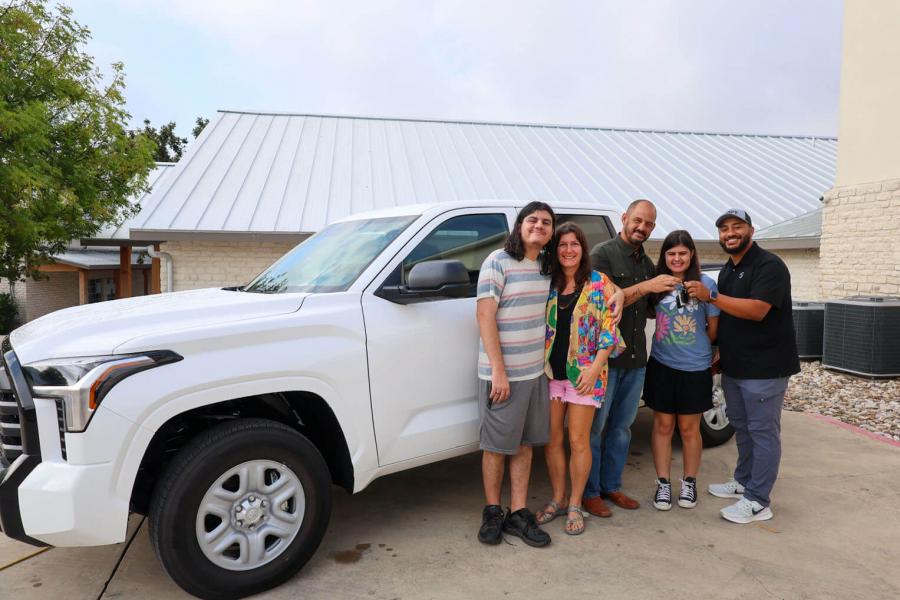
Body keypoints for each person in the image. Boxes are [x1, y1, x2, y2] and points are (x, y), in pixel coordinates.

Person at [685, 209, 800, 524]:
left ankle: (758, 501)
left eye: (737, 227)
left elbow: (757, 310)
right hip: (735, 366)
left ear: (751, 229)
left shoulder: (769, 266)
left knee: (763, 431)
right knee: (742, 426)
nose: (730, 233)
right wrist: (719, 354)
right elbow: (729, 320)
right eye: (724, 229)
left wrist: (712, 296)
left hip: (765, 368)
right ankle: (743, 481)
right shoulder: (727, 270)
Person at [583, 199, 679, 517]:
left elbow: (649, 307)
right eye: (637, 220)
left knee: (621, 429)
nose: (642, 228)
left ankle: (612, 486)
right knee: (596, 429)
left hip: (636, 359)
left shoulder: (647, 262)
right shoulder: (602, 254)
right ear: (624, 218)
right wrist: (650, 285)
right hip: (606, 360)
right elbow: (609, 301)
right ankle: (590, 492)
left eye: (649, 224)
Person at [535, 223, 625, 535]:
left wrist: (595, 367)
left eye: (574, 244)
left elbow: (609, 329)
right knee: (553, 440)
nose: (568, 250)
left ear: (583, 248)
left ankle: (575, 503)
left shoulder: (599, 283)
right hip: (551, 374)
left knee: (578, 440)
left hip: (585, 376)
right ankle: (558, 499)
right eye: (562, 244)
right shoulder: (548, 282)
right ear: (554, 249)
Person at [475, 201, 556, 547]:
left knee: (525, 445)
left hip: (536, 373)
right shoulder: (497, 261)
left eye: (547, 222)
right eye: (532, 220)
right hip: (502, 375)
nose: (539, 226)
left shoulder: (547, 266)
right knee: (496, 447)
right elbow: (484, 316)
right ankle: (493, 511)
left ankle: (518, 513)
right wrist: (498, 371)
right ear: (520, 225)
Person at [644, 230, 719, 511]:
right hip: (662, 365)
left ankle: (689, 481)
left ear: (691, 255)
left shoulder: (706, 284)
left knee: (689, 429)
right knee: (663, 426)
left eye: (682, 253)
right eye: (671, 253)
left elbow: (713, 332)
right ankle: (663, 483)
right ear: (664, 257)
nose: (677, 258)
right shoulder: (658, 284)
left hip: (694, 368)